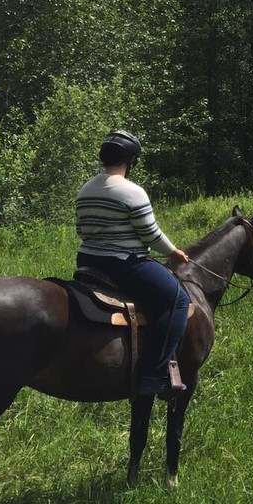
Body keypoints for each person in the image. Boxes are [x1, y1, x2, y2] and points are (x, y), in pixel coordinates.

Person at [75, 130, 191, 398]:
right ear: (131, 160)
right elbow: (150, 234)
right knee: (177, 299)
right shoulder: (132, 192)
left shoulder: (86, 188)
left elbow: (81, 229)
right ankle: (153, 376)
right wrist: (173, 252)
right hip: (122, 263)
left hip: (88, 260)